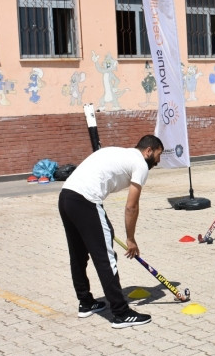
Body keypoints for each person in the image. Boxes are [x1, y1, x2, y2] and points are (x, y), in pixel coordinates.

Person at [58, 135, 164, 328]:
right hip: (86, 200)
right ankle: (121, 313)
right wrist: (131, 239)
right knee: (106, 257)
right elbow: (131, 206)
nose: (158, 161)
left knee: (78, 255)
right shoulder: (140, 163)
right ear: (148, 151)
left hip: (66, 197)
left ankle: (86, 302)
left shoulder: (118, 153)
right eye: (158, 155)